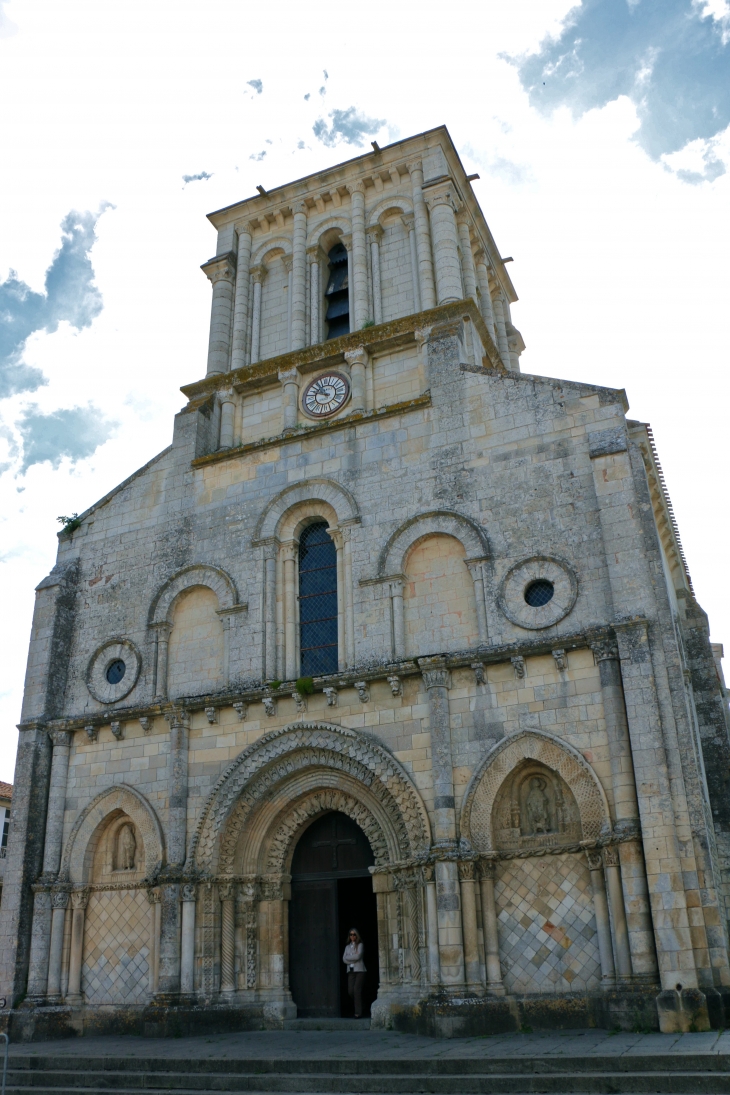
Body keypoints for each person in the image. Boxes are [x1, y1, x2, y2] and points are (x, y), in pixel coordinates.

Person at [342, 928, 366, 1018]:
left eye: (354, 934)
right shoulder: (347, 947)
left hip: (360, 970)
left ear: (357, 935)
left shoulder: (360, 945)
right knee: (351, 991)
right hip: (351, 971)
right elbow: (344, 959)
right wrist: (353, 957)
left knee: (356, 990)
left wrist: (350, 957)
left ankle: (358, 1013)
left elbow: (358, 956)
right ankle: (362, 1004)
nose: (352, 936)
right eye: (351, 934)